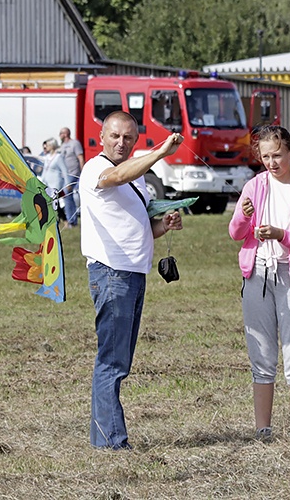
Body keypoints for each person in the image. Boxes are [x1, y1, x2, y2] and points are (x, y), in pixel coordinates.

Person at [79, 111, 184, 450]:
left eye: (128, 137)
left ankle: (105, 438)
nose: (121, 142)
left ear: (136, 138)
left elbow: (141, 228)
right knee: (112, 360)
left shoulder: (137, 177)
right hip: (111, 273)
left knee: (119, 359)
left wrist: (164, 224)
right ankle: (112, 442)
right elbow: (116, 176)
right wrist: (159, 154)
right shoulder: (95, 168)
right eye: (115, 136)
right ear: (102, 136)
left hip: (133, 272)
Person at [228, 125, 290, 443]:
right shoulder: (254, 186)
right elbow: (236, 232)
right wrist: (243, 214)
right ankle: (262, 430)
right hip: (257, 277)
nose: (271, 162)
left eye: (277, 155)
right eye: (265, 156)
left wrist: (281, 234)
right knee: (262, 356)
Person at [58, 127, 85, 226]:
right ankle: (71, 219)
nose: (60, 135)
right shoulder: (62, 146)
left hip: (73, 173)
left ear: (65, 134)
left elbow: (80, 158)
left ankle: (71, 220)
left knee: (66, 193)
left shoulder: (75, 144)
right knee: (67, 196)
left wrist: (83, 173)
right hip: (64, 175)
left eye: (61, 133)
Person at [41, 138, 70, 224]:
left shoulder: (58, 157)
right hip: (47, 183)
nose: (47, 147)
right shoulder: (47, 157)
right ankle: (57, 220)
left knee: (54, 202)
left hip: (56, 183)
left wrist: (67, 183)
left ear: (53, 146)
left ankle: (64, 220)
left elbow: (64, 170)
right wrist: (42, 181)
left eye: (49, 145)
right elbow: (44, 171)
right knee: (50, 203)